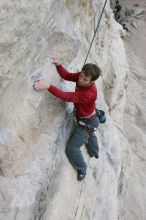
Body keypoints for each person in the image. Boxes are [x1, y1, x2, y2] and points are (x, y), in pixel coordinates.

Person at [34, 58, 101, 181]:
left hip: (87, 122)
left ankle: (82, 168)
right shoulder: (84, 77)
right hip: (89, 120)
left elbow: (66, 97)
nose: (80, 80)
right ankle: (94, 151)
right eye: (81, 76)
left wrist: (48, 86)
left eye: (85, 79)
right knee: (90, 134)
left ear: (91, 82)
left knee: (72, 148)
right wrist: (59, 65)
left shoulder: (89, 93)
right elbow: (67, 75)